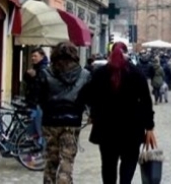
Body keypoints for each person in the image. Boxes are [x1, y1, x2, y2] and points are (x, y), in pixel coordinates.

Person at [84, 42, 156, 184]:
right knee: (128, 166)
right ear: (126, 53)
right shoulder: (136, 73)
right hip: (132, 128)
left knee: (108, 166)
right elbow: (146, 102)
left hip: (106, 128)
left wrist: (94, 112)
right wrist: (149, 127)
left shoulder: (100, 73)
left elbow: (88, 96)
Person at [37, 42, 90, 184]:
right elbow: (88, 97)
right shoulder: (84, 75)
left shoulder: (46, 73)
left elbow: (39, 97)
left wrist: (48, 108)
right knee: (67, 160)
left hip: (50, 121)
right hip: (72, 122)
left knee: (51, 160)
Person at [24, 48, 49, 144]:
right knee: (33, 127)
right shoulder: (36, 68)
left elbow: (39, 87)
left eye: (35, 56)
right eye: (32, 56)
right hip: (33, 102)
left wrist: (33, 77)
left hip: (37, 103)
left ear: (42, 56)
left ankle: (40, 148)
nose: (33, 58)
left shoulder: (42, 69)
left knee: (38, 128)